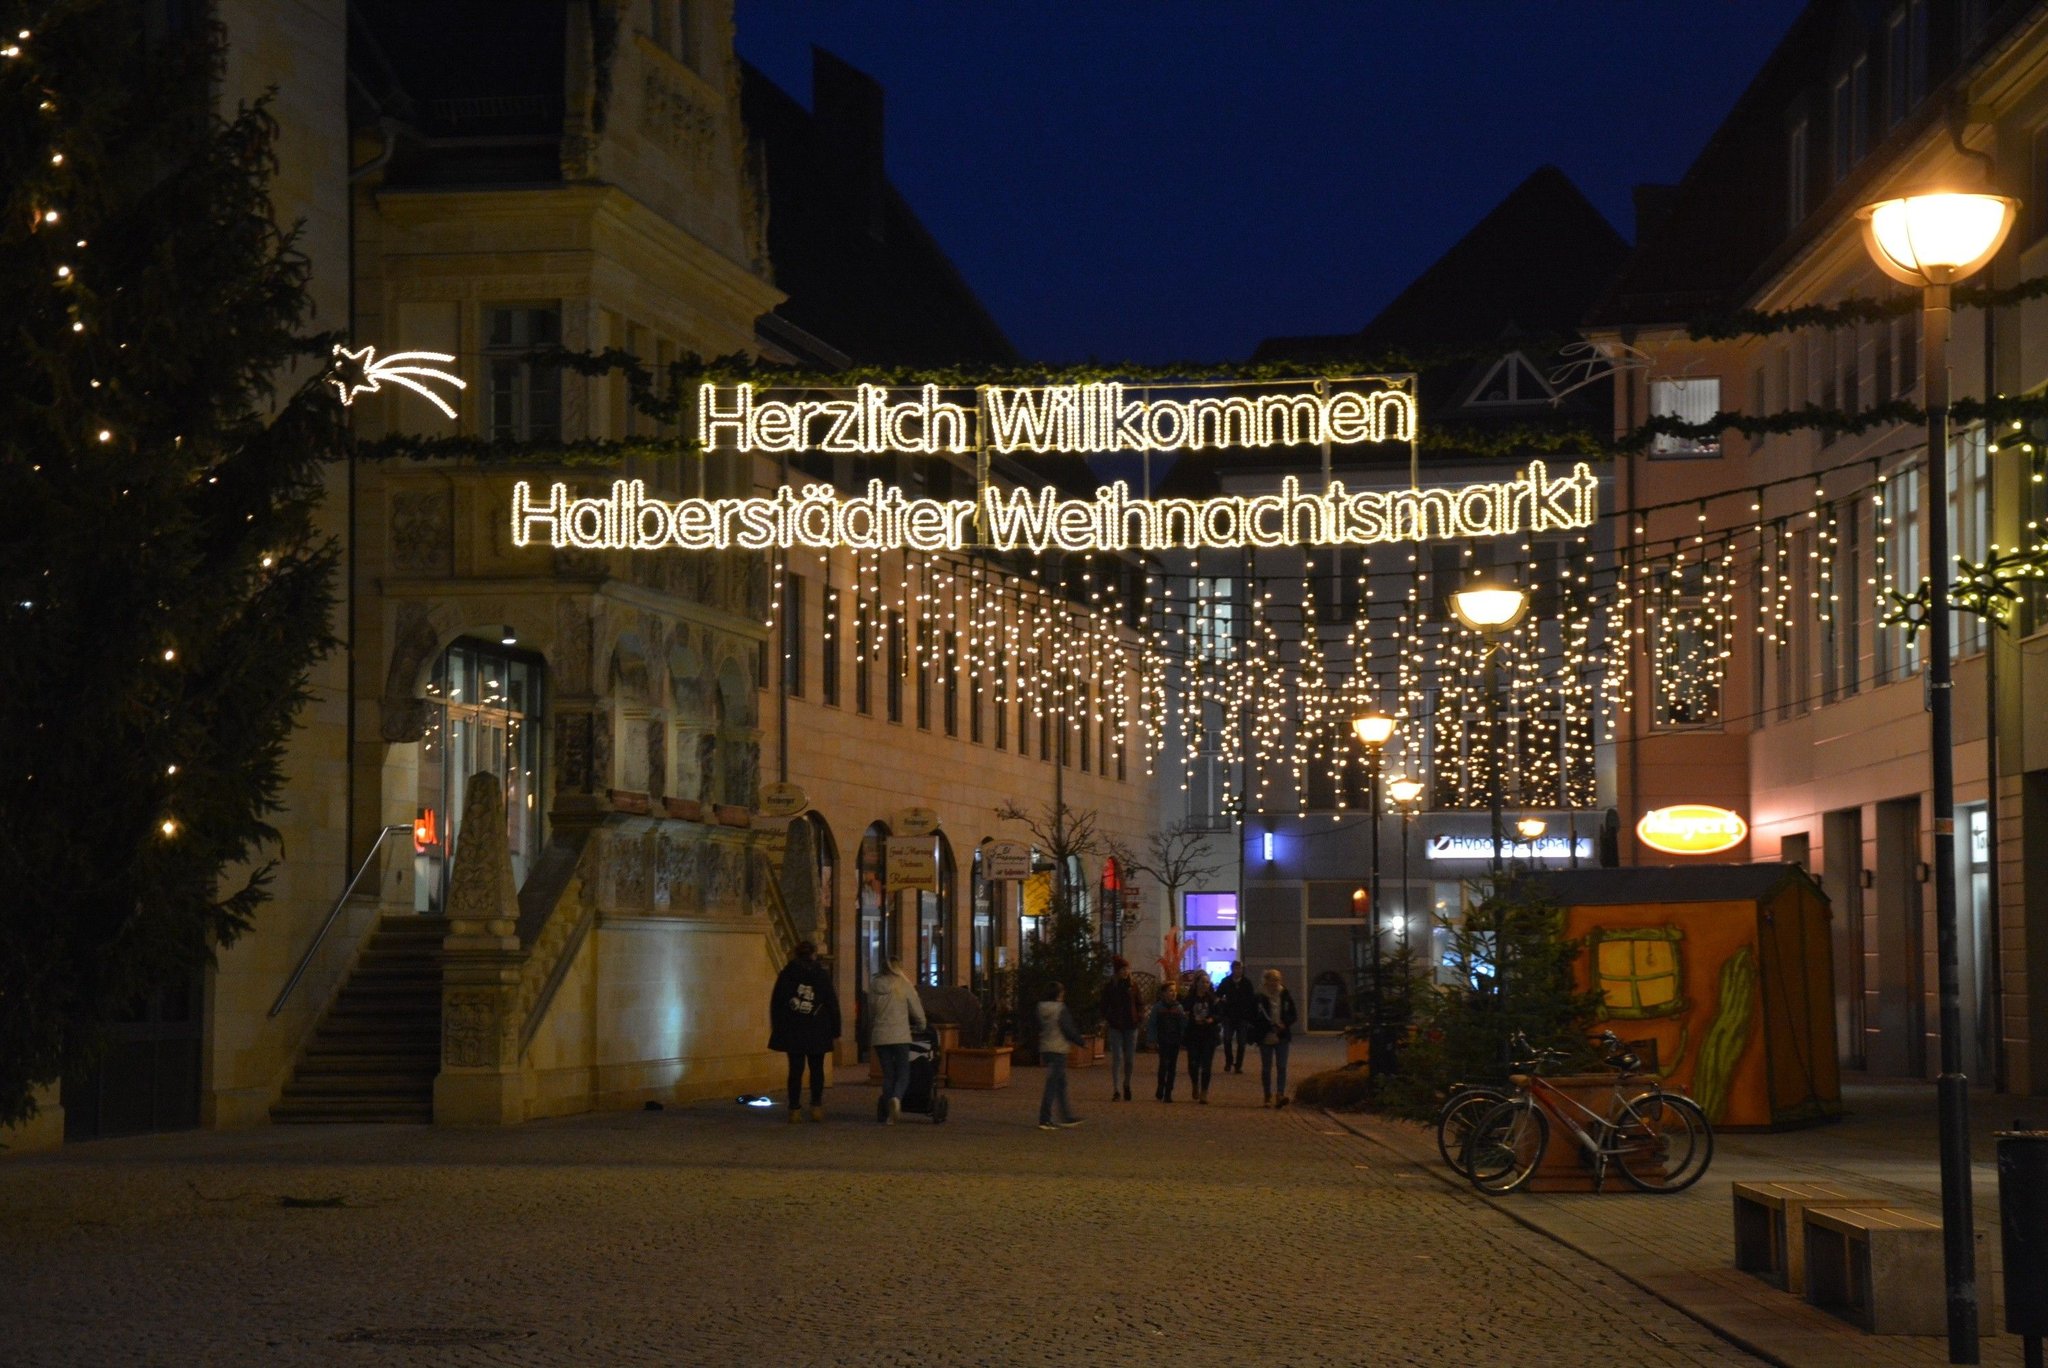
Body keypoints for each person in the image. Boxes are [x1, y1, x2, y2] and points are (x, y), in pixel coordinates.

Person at [767, 940, 840, 1123]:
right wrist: (835, 1028)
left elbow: (777, 1003)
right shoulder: (821, 975)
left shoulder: (787, 974)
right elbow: (831, 1003)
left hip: (794, 1029)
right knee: (817, 1070)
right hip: (818, 1029)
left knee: (795, 1070)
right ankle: (816, 1105)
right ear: (813, 954)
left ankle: (794, 1108)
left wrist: (778, 1028)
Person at [865, 958, 926, 1124]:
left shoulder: (874, 985)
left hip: (880, 1036)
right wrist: (922, 1024)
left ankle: (887, 1113)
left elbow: (871, 1012)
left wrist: (873, 1027)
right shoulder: (903, 984)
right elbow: (916, 1007)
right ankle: (897, 1099)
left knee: (888, 1074)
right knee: (903, 1072)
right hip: (900, 1036)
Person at [1036, 983, 1087, 1131]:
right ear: (1059, 994)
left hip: (1046, 1047)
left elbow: (1040, 1026)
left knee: (1059, 1083)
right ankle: (1045, 1118)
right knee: (1053, 1084)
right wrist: (1080, 1041)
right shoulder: (1060, 1009)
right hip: (1058, 1048)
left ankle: (1065, 1116)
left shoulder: (1041, 1008)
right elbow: (1067, 1028)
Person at [1251, 968, 1299, 1108]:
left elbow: (1293, 1014)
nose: (1276, 983)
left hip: (1282, 1035)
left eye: (1278, 979)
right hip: (1266, 1035)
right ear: (1267, 981)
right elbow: (1255, 1017)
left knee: (1282, 1066)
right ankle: (1267, 1095)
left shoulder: (1284, 994)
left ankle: (1280, 1094)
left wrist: (1285, 1024)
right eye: (1273, 980)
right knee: (1266, 1067)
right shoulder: (1259, 997)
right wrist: (1267, 1026)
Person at [1098, 956, 1144, 1101]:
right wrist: (1107, 1017)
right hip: (1116, 1025)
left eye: (1127, 969)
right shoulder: (1111, 986)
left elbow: (1139, 1003)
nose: (1125, 972)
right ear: (1117, 971)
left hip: (1131, 1025)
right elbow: (1104, 1004)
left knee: (1129, 1059)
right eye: (1122, 969)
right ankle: (1116, 1089)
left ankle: (1127, 1084)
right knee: (1117, 1057)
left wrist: (1139, 1017)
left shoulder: (1133, 985)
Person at [1181, 974, 1221, 1104]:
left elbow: (1219, 1014)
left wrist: (1211, 1019)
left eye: (1207, 982)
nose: (1205, 985)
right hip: (1193, 1034)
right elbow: (1184, 1012)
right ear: (1197, 983)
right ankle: (1194, 1083)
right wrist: (1191, 1019)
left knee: (1207, 1065)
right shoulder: (1190, 998)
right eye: (1203, 982)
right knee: (1193, 1063)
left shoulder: (1212, 998)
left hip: (1208, 1034)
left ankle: (1204, 1091)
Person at [1148, 981, 1186, 1101]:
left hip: (1174, 1040)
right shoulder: (1158, 1008)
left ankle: (1169, 1091)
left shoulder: (1178, 1008)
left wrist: (1183, 1039)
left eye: (1174, 991)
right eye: (1170, 991)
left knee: (1172, 1066)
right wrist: (1152, 1039)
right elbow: (1152, 1024)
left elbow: (1182, 1025)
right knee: (1163, 1064)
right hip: (1163, 1040)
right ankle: (1161, 1086)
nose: (1173, 993)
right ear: (1163, 993)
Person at [1218, 960, 1257, 1073]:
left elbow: (1251, 1000)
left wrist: (1250, 1017)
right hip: (1229, 1016)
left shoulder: (1247, 983)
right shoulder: (1226, 982)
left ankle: (1238, 1065)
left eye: (1240, 969)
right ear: (1232, 969)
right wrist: (1222, 1003)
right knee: (1227, 1039)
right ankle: (1229, 1061)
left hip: (1242, 1017)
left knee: (1241, 1042)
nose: (1238, 971)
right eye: (1236, 968)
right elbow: (1218, 995)